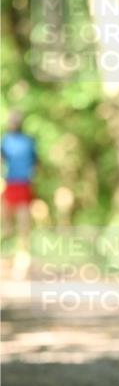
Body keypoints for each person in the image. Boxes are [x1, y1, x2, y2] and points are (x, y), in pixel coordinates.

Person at [1, 109, 38, 276]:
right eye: (11, 120)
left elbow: (36, 162)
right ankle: (7, 258)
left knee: (24, 225)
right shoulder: (5, 141)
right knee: (6, 226)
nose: (14, 122)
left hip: (24, 185)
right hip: (9, 185)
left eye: (16, 120)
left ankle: (22, 262)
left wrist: (32, 175)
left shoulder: (28, 142)